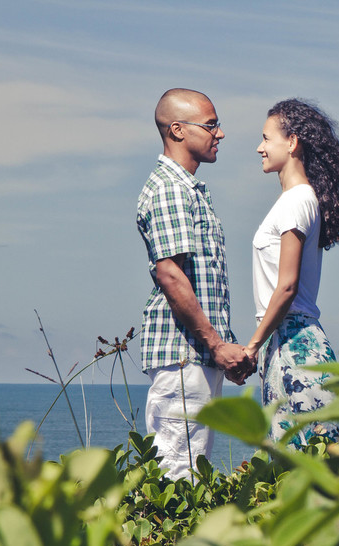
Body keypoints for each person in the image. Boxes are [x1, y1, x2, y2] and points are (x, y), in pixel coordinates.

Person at [137, 88, 255, 479]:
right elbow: (171, 275)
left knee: (191, 461)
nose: (219, 133)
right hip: (184, 353)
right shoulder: (171, 189)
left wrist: (223, 347)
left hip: (195, 352)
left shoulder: (187, 189)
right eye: (211, 125)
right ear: (177, 130)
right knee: (178, 471)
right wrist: (218, 344)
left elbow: (200, 281)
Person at [244, 98, 339, 447]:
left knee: (305, 465)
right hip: (285, 341)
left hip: (295, 342)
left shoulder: (298, 201)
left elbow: (287, 287)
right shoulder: (296, 200)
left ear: (292, 142)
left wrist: (251, 347)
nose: (260, 147)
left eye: (266, 138)